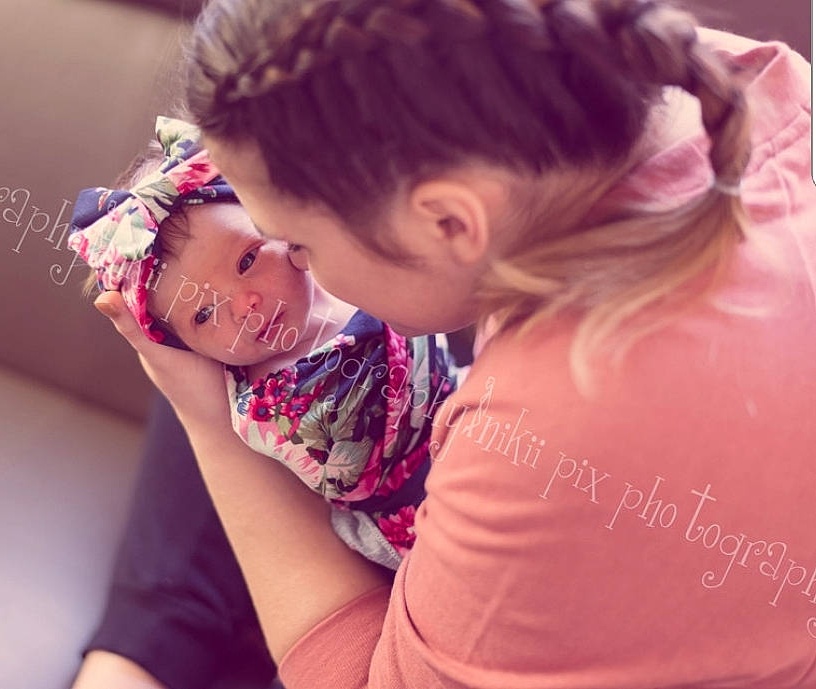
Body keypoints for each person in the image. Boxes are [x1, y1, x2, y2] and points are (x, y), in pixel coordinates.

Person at [85, 0, 816, 687]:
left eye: (296, 241)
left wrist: (207, 422)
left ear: (450, 221)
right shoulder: (724, 76)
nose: (295, 261)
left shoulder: (551, 427)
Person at [67, 116, 466, 570]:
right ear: (186, 348)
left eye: (247, 259)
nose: (244, 305)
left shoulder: (337, 263)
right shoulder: (268, 405)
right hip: (414, 511)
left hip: (463, 398)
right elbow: (347, 465)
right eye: (203, 313)